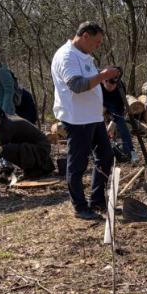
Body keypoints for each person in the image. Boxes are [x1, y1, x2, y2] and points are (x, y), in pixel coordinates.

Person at [51, 21, 120, 220]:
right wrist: (102, 75)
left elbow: (92, 80)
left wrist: (106, 81)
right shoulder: (67, 56)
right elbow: (77, 85)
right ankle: (80, 207)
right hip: (77, 118)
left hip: (93, 116)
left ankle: (96, 200)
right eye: (96, 42)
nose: (98, 46)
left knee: (106, 156)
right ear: (85, 36)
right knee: (77, 165)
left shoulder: (85, 54)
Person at [0, 108, 54, 179]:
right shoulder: (0, 121)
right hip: (33, 147)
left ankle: (35, 170)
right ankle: (32, 169)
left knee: (3, 150)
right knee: (4, 149)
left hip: (41, 149)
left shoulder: (6, 127)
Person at [101, 72, 137, 163]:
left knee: (123, 128)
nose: (111, 88)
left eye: (114, 86)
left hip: (115, 106)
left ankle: (131, 152)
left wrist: (113, 122)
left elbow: (120, 107)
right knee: (98, 130)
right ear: (104, 81)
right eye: (109, 86)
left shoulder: (120, 86)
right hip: (100, 104)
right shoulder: (97, 83)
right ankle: (101, 153)